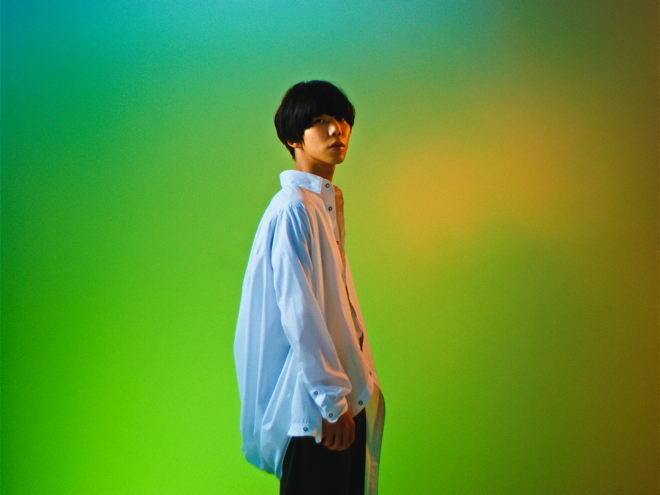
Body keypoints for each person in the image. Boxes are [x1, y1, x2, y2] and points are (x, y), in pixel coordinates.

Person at [234, 80, 384, 495]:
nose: (337, 130)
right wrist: (332, 402)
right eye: (319, 121)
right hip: (316, 415)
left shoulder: (321, 206)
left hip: (342, 406)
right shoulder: (293, 208)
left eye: (342, 119)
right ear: (292, 138)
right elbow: (299, 313)